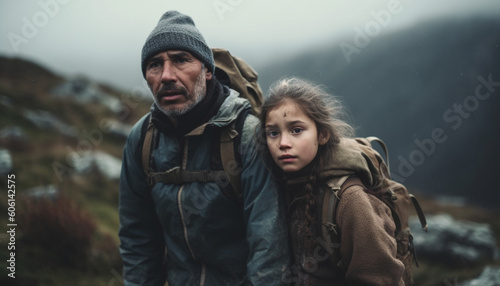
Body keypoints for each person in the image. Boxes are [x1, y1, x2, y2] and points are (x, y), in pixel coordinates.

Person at [118, 11, 290, 286]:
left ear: (208, 70)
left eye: (180, 60)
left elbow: (268, 248)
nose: (166, 75)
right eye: (154, 65)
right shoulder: (142, 139)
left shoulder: (246, 136)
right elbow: (137, 238)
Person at [258, 78, 405, 285]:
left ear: (323, 134)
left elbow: (378, 279)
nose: (283, 143)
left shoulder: (351, 200)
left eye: (296, 130)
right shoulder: (278, 186)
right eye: (273, 133)